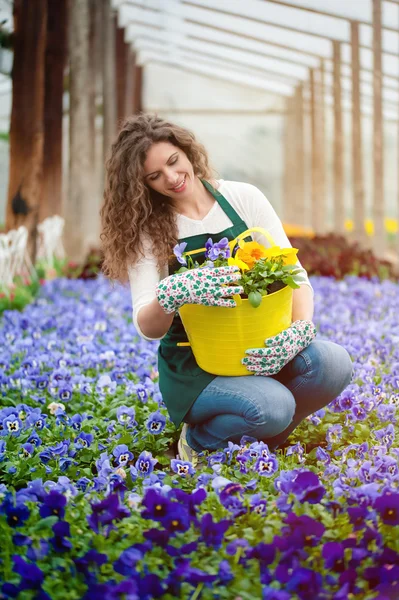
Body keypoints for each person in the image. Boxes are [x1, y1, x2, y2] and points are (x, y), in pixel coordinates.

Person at [100, 113, 353, 465]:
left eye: (174, 162)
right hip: (197, 366)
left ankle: (255, 440)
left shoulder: (242, 198)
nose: (172, 178)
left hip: (260, 346)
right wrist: (173, 292)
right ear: (142, 184)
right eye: (154, 176)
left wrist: (299, 329)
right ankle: (200, 441)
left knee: (333, 364)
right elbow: (148, 326)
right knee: (272, 405)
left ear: (187, 151)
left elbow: (294, 274)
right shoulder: (146, 230)